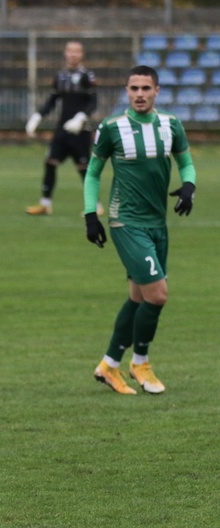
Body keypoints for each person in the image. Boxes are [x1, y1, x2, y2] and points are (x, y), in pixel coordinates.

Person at [83, 65, 196, 395]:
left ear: (156, 91)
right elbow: (92, 174)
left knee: (137, 297)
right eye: (134, 88)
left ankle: (108, 365)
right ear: (127, 91)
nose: (140, 94)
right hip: (125, 222)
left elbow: (186, 161)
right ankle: (140, 362)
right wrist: (92, 215)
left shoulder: (170, 124)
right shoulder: (112, 127)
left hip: (157, 223)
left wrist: (188, 185)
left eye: (146, 88)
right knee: (157, 295)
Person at [25, 40, 100, 216]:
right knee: (50, 162)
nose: (73, 54)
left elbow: (93, 102)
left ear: (82, 54)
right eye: (70, 51)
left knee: (83, 168)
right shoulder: (60, 76)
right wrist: (37, 117)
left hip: (80, 130)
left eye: (77, 51)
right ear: (65, 53)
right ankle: (45, 204)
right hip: (62, 129)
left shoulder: (87, 76)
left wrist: (81, 118)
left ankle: (95, 205)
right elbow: (52, 101)